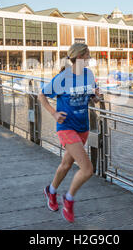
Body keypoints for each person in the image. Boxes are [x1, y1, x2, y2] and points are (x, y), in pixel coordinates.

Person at [38, 43, 102, 223]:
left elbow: (92, 98)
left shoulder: (89, 75)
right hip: (66, 127)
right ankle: (69, 199)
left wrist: (96, 96)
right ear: (80, 57)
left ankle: (50, 191)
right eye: (88, 55)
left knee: (66, 165)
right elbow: (41, 95)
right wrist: (54, 113)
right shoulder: (63, 78)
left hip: (83, 127)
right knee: (87, 169)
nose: (90, 58)